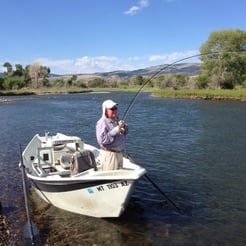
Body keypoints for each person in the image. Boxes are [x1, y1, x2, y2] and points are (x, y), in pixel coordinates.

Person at [96, 99, 128, 171]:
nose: (115, 110)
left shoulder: (117, 120)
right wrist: (116, 130)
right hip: (110, 155)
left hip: (119, 154)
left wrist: (124, 127)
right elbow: (102, 140)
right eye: (112, 109)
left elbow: (125, 132)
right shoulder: (102, 122)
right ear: (105, 111)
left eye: (115, 108)